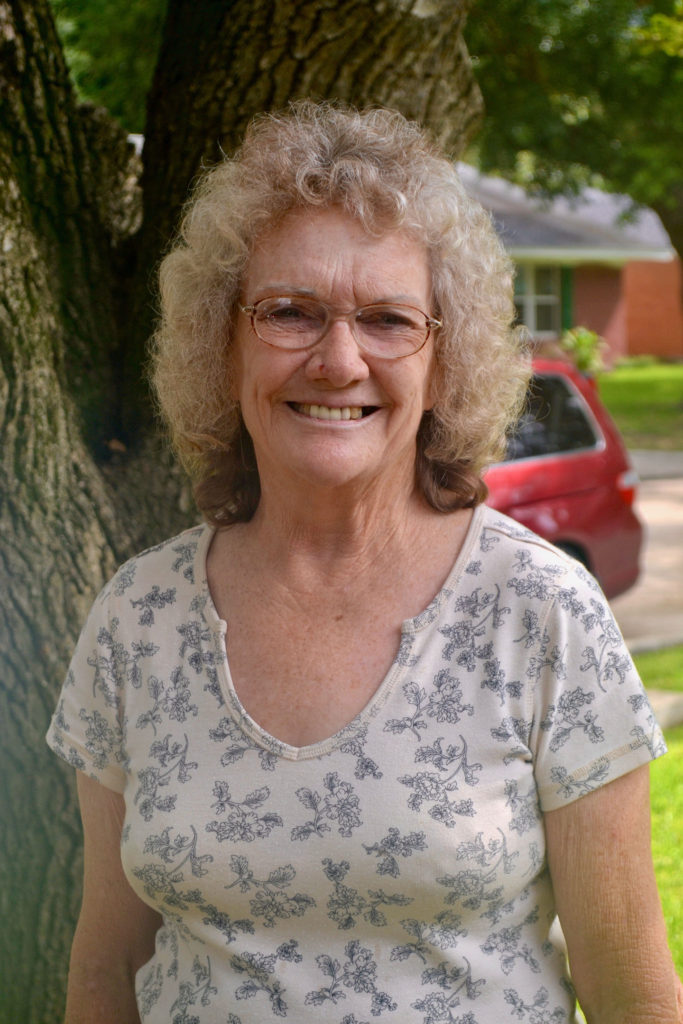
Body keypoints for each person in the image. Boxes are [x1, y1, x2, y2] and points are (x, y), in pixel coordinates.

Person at [47, 102, 681, 1024]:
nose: (338, 360)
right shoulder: (138, 618)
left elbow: (628, 988)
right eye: (289, 313)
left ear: (444, 361)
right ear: (221, 342)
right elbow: (105, 971)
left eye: (387, 320)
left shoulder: (541, 611)